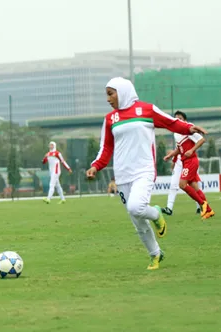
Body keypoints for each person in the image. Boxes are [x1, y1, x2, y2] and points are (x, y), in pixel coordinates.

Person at [86, 77, 208, 270]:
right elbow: (106, 147)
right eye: (106, 95)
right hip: (123, 174)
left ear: (123, 91)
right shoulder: (110, 119)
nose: (108, 99)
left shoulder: (147, 110)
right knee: (138, 222)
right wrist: (96, 166)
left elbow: (171, 123)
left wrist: (189, 128)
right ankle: (156, 254)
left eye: (111, 94)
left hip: (144, 170)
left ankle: (157, 213)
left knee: (136, 207)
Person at [163, 111, 214, 219]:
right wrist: (170, 155)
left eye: (180, 118)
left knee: (182, 184)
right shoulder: (177, 133)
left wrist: (191, 150)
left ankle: (202, 204)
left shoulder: (187, 129)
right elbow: (179, 148)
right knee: (195, 188)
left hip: (191, 161)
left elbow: (201, 140)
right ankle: (208, 211)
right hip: (186, 161)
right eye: (176, 118)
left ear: (185, 120)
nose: (178, 120)